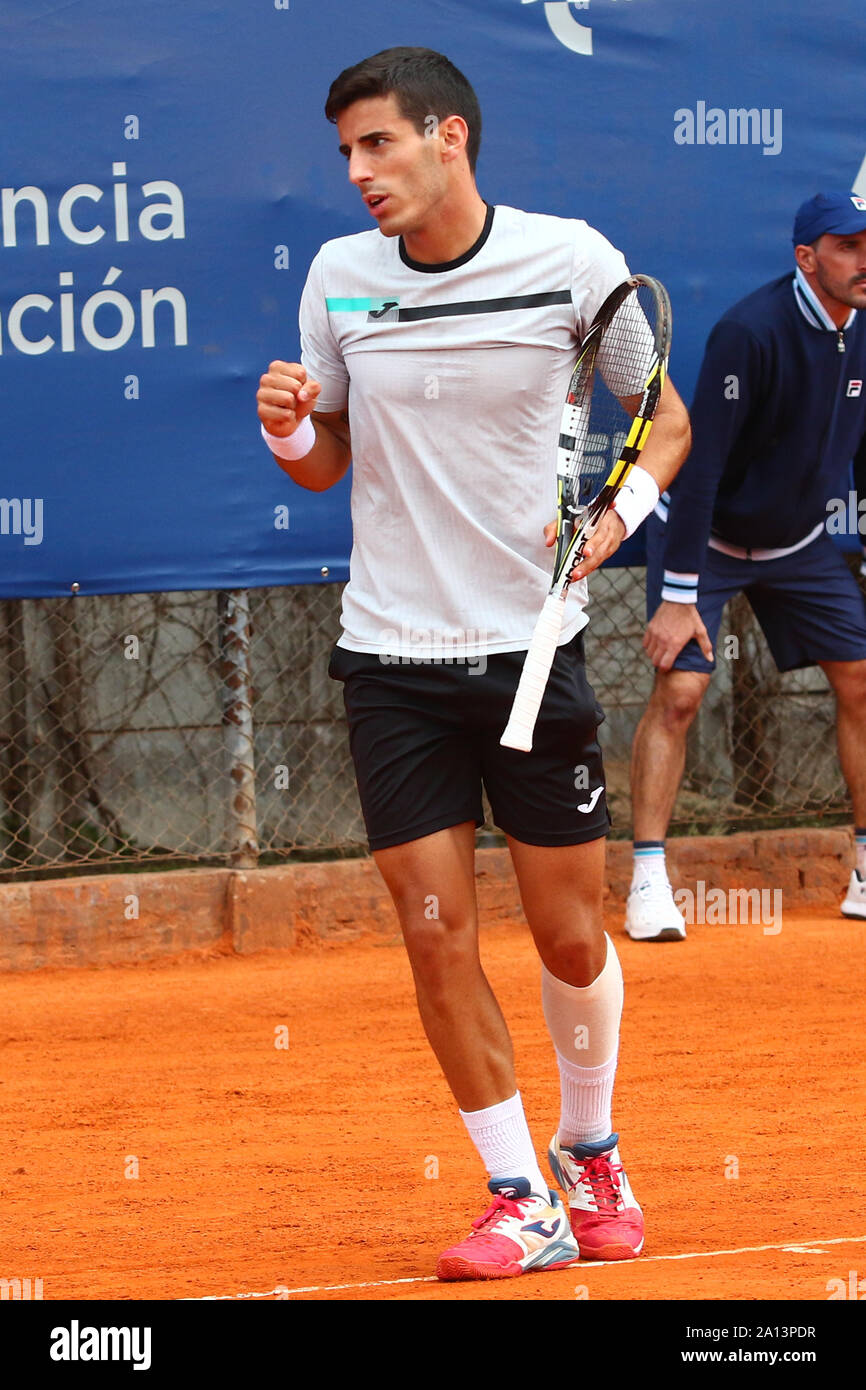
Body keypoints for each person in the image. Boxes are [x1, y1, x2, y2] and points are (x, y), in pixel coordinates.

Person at [257, 47, 690, 1279]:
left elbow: (660, 420)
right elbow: (325, 457)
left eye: (377, 143)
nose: (356, 173)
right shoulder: (339, 277)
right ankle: (519, 1195)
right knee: (433, 927)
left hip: (528, 652)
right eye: (344, 151)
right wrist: (289, 427)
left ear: (448, 137)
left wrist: (614, 524)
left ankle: (590, 1142)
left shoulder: (568, 262)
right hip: (389, 652)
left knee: (566, 938)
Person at [626, 192, 866, 943]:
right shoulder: (749, 332)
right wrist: (678, 595)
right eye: (850, 246)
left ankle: (864, 868)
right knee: (683, 692)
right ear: (806, 257)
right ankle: (648, 880)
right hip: (711, 536)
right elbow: (699, 470)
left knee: (862, 679)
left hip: (798, 543)